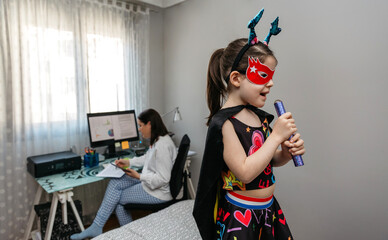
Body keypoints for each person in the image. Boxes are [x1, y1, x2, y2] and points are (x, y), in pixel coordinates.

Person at [193, 9, 305, 240]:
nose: (271, 83)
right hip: (241, 217)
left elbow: (267, 160)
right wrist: (275, 137)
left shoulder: (258, 117)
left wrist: (283, 152)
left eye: (272, 75)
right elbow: (244, 172)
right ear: (236, 78)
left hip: (268, 211)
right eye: (263, 76)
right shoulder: (225, 123)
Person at [71, 109, 177, 240]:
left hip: (158, 192)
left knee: (118, 200)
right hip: (150, 183)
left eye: (140, 125)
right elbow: (146, 158)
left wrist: (138, 176)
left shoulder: (162, 146)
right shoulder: (158, 140)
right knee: (116, 182)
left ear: (149, 124)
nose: (139, 129)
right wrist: (128, 161)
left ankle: (128, 235)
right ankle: (97, 227)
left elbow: (163, 179)